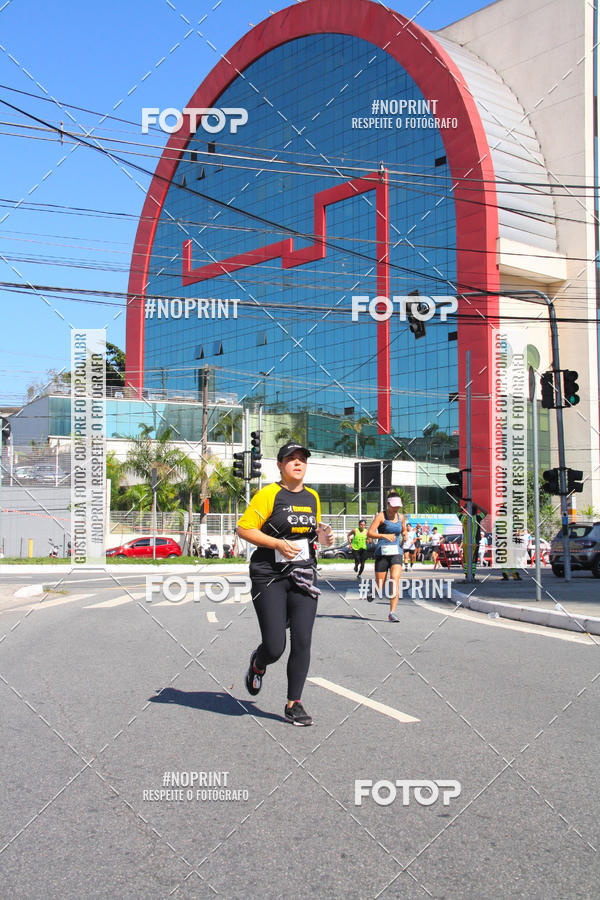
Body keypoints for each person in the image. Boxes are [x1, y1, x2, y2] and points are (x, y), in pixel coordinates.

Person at [236, 442, 334, 726]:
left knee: (302, 640)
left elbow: (311, 535)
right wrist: (277, 542)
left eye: (302, 458)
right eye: (291, 459)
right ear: (279, 465)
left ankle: (294, 704)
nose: (298, 462)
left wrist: (323, 538)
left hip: (303, 575)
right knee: (275, 646)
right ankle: (258, 663)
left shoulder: (313, 497)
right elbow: (244, 528)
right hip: (269, 576)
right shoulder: (269, 494)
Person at [367, 492, 406, 622]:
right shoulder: (381, 516)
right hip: (382, 553)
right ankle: (373, 591)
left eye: (398, 506)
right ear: (388, 504)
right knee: (380, 585)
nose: (396, 508)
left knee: (395, 579)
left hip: (396, 552)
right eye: (394, 506)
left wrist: (405, 535)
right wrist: (384, 536)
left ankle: (392, 612)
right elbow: (370, 533)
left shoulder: (401, 517)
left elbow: (403, 530)